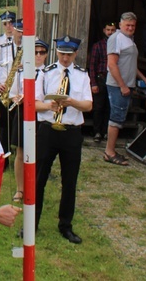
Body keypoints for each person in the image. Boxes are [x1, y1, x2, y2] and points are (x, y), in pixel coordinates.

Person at [34, 36, 92, 244]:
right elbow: (34, 103)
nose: (65, 58)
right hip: (48, 130)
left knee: (69, 182)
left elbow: (88, 105)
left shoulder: (82, 75)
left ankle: (65, 226)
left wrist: (72, 102)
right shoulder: (46, 72)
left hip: (71, 131)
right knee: (38, 179)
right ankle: (32, 224)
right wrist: (50, 106)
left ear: (75, 54)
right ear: (57, 53)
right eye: (62, 54)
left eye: (69, 54)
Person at [104, 12, 146, 166]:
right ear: (120, 25)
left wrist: (145, 79)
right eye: (128, 25)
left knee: (119, 118)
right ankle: (109, 152)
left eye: (133, 25)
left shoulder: (130, 40)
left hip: (127, 85)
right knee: (116, 118)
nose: (131, 28)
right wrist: (122, 85)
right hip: (118, 85)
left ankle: (111, 149)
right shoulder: (116, 38)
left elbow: (132, 65)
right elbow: (112, 64)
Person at [4, 37, 49, 204]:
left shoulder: (49, 72)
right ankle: (20, 189)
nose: (38, 55)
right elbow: (12, 93)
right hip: (23, 112)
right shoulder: (21, 72)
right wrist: (17, 97)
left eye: (41, 53)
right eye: (35, 52)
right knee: (21, 152)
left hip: (41, 115)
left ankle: (35, 187)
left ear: (46, 55)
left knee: (40, 153)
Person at [0, 13, 23, 162]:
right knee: (3, 128)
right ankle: (2, 159)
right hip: (5, 93)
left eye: (23, 32)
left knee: (19, 129)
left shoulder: (33, 49)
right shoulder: (4, 47)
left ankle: (20, 156)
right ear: (14, 30)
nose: (20, 34)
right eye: (19, 31)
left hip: (20, 95)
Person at [88, 21, 116, 143]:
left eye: (112, 30)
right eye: (108, 29)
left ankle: (106, 132)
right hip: (101, 78)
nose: (110, 32)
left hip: (114, 78)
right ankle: (97, 132)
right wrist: (93, 83)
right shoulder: (98, 46)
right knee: (99, 107)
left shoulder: (118, 46)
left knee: (110, 107)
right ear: (104, 30)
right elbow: (92, 66)